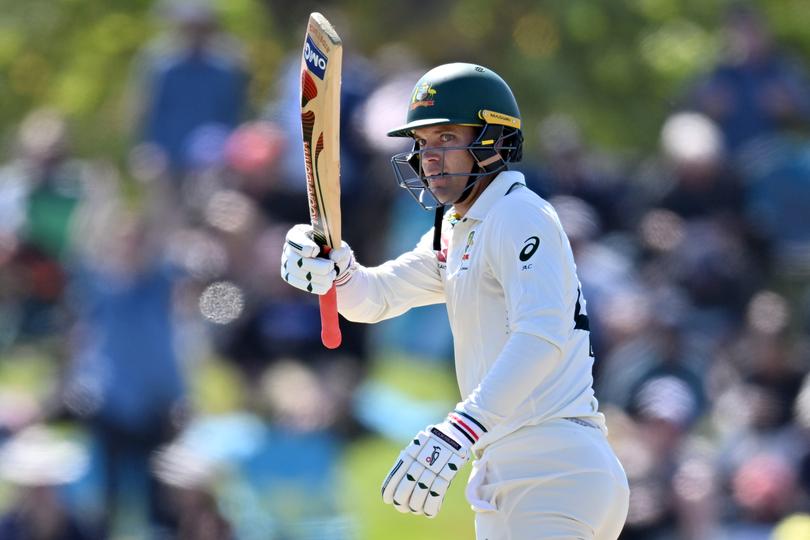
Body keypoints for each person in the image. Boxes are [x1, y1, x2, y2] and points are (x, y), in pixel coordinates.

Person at [280, 63, 629, 539]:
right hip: (506, 471)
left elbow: (542, 334)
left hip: (555, 467)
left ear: (491, 141)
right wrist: (329, 267)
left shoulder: (518, 215)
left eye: (446, 138)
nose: (430, 157)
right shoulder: (459, 229)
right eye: (422, 143)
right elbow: (374, 298)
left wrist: (462, 428)